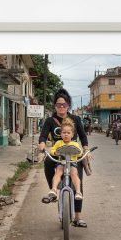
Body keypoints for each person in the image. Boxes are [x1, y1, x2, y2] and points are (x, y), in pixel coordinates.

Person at [38, 88, 93, 228]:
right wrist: (42, 143)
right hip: (58, 154)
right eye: (58, 104)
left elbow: (83, 136)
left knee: (77, 182)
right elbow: (43, 134)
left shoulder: (75, 119)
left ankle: (78, 218)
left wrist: (86, 149)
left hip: (73, 155)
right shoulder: (50, 120)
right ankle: (53, 191)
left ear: (68, 105)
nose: (61, 107)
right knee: (48, 161)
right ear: (55, 106)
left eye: (64, 104)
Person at [47, 118, 83, 201]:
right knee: (58, 172)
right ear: (61, 134)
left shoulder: (75, 144)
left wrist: (78, 153)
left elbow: (80, 153)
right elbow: (52, 151)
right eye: (64, 132)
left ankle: (78, 192)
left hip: (72, 163)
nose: (66, 135)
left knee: (74, 174)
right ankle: (54, 189)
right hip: (61, 162)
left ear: (72, 134)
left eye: (68, 133)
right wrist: (55, 153)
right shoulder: (59, 143)